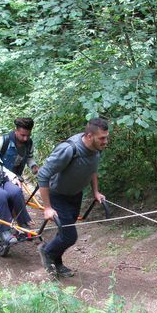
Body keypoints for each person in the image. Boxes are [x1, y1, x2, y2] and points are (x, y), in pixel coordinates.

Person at [37, 118, 109, 277]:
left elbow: (92, 169)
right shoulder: (69, 150)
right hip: (58, 196)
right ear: (89, 136)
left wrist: (96, 192)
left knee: (63, 234)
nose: (106, 141)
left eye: (106, 137)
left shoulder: (97, 148)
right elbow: (43, 175)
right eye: (102, 138)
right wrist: (47, 207)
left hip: (75, 195)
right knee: (69, 236)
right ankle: (46, 251)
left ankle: (58, 263)